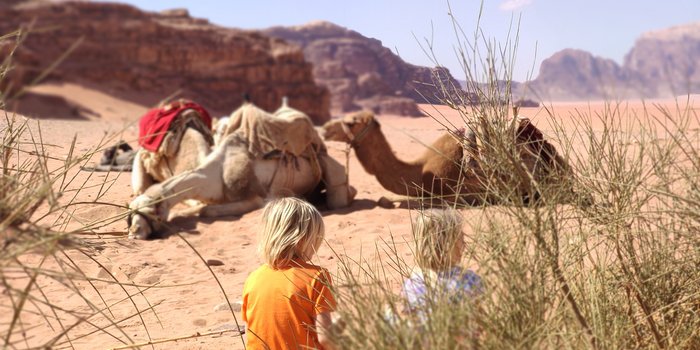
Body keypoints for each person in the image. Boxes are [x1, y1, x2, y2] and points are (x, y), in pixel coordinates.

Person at [242, 197, 337, 350]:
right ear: (301, 239)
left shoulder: (253, 279)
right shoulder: (317, 276)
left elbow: (250, 331)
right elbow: (326, 338)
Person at [403, 208, 483, 318]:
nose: (465, 245)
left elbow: (410, 323)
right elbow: (479, 320)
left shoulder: (412, 285)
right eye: (461, 239)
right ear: (448, 245)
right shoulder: (469, 280)